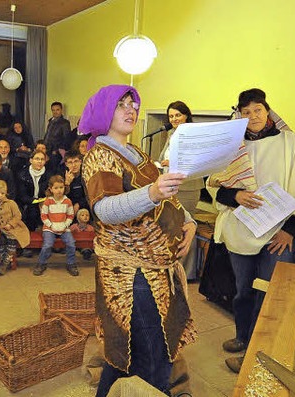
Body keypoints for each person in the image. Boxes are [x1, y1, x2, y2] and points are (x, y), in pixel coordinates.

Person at [78, 85, 197, 396]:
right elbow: (105, 209)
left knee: (127, 353)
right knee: (151, 356)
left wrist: (189, 221)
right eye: (121, 105)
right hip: (130, 275)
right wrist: (153, 192)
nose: (131, 110)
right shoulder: (99, 156)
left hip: (157, 269)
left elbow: (167, 197)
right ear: (104, 112)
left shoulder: (138, 154)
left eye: (133, 104)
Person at [206, 88, 295, 373]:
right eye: (246, 111)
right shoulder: (232, 146)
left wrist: (291, 230)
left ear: (268, 111)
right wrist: (236, 196)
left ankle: (259, 352)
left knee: (270, 294)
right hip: (243, 231)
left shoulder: (290, 142)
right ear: (239, 115)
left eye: (258, 109)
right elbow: (216, 188)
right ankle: (243, 337)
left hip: (279, 234)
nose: (253, 116)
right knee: (243, 291)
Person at [158, 101, 203, 281]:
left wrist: (174, 162)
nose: (174, 119)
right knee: (173, 226)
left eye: (178, 115)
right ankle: (174, 267)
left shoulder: (194, 134)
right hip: (171, 185)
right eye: (171, 116)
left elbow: (198, 161)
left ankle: (187, 272)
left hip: (188, 187)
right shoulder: (171, 133)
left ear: (186, 115)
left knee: (186, 226)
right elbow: (165, 157)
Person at [33, 175, 78, 276]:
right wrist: (51, 225)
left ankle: (71, 264)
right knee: (47, 244)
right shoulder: (48, 201)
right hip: (50, 228)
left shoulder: (67, 201)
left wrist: (65, 225)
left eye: (61, 187)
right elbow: (43, 216)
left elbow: (70, 215)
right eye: (56, 188)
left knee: (71, 243)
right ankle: (41, 263)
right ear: (51, 189)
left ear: (64, 188)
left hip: (64, 228)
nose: (59, 190)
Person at [0, 180, 29, 274]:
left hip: (12, 228)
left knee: (11, 241)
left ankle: (5, 262)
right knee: (0, 241)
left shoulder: (11, 203)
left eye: (2, 193)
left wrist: (10, 224)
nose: (0, 195)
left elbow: (18, 215)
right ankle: (3, 260)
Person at [16, 150, 52, 232]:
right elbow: (22, 196)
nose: (40, 161)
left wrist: (43, 200)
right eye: (37, 159)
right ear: (31, 160)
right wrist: (36, 201)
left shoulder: (49, 174)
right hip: (28, 203)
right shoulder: (22, 175)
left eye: (42, 159)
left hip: (44, 202)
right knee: (32, 211)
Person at [44, 102, 72, 168]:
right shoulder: (50, 121)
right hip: (47, 150)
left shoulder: (65, 123)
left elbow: (67, 139)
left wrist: (56, 151)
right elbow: (47, 135)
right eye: (53, 110)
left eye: (57, 110)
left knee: (53, 170)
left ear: (61, 110)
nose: (55, 112)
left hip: (55, 153)